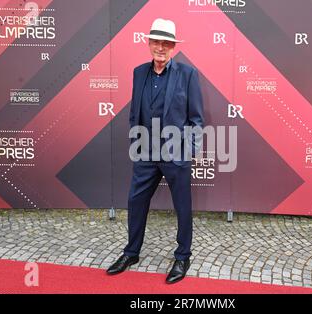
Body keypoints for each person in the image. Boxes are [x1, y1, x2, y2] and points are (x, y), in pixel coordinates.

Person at [106, 18, 204, 284]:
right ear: (148, 44)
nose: (160, 47)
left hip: (176, 153)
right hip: (145, 152)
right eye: (156, 42)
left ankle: (183, 255)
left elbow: (196, 118)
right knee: (135, 202)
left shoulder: (187, 74)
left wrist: (190, 152)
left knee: (182, 206)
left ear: (173, 46)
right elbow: (134, 112)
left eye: (166, 43)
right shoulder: (139, 72)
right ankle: (132, 252)